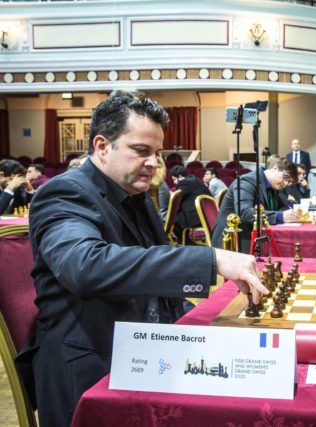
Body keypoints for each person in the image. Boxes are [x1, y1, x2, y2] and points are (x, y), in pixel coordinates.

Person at [19, 93, 267, 427]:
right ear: (102, 146)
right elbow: (86, 267)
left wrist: (210, 332)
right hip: (89, 364)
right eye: (141, 151)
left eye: (157, 153)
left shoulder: (135, 194)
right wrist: (209, 260)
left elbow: (157, 286)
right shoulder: (65, 193)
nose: (153, 162)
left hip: (141, 347)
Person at [211, 156, 298, 253]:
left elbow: (284, 206)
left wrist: (286, 213)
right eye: (286, 178)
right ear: (275, 168)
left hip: (255, 235)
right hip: (234, 240)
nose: (285, 183)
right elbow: (244, 212)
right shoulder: (247, 181)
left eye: (289, 182)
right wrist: (280, 216)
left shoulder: (275, 185)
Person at [169, 165, 212, 240]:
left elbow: (177, 197)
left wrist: (170, 194)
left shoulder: (185, 182)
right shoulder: (195, 180)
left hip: (198, 217)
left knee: (172, 218)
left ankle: (184, 243)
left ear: (180, 176)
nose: (174, 182)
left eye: (174, 179)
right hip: (208, 214)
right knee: (179, 215)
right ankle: (186, 241)